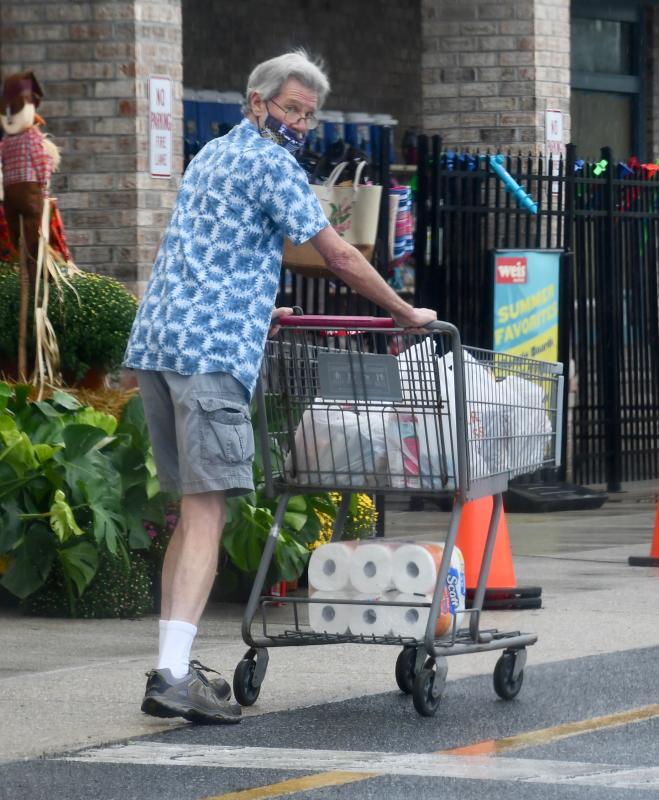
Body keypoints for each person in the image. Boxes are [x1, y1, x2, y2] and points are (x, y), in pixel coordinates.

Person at [123, 49, 437, 725]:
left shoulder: (211, 155)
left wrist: (252, 308)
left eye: (308, 114)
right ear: (256, 102)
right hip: (209, 355)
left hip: (160, 344)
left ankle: (173, 664)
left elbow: (205, 251)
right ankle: (172, 675)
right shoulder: (271, 164)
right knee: (207, 512)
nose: (299, 123)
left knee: (192, 507)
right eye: (291, 108)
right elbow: (339, 255)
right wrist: (403, 312)